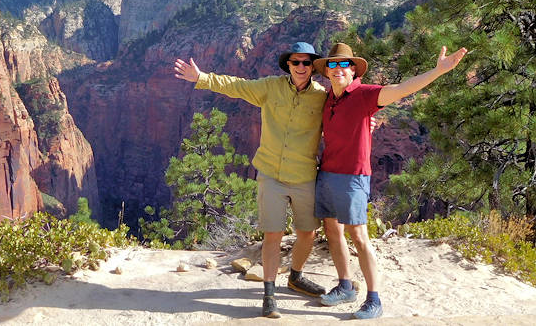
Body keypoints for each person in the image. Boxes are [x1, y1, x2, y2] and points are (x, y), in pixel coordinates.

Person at [312, 42, 467, 320]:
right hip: (327, 173)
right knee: (333, 231)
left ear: (353, 70)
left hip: (353, 177)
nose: (338, 70)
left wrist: (437, 71)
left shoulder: (365, 95)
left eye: (343, 64)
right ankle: (345, 285)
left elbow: (401, 89)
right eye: (332, 65)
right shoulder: (328, 99)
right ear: (326, 71)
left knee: (358, 236)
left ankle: (374, 299)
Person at [174, 41, 328, 319]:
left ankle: (296, 277)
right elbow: (237, 85)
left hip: (304, 175)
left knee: (308, 233)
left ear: (313, 67)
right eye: (296, 62)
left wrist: (368, 124)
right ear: (288, 65)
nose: (301, 67)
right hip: (270, 174)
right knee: (273, 235)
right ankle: (269, 294)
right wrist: (202, 78)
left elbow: (342, 117)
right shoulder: (270, 87)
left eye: (307, 63)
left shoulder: (322, 96)